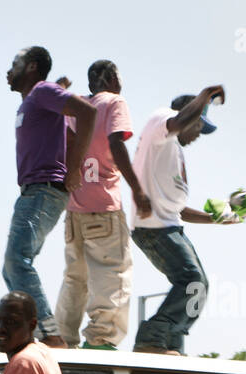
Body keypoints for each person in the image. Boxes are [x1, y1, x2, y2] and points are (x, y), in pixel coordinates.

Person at [130, 86, 236, 356]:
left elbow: (178, 209)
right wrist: (208, 92)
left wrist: (216, 219)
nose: (199, 134)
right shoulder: (161, 123)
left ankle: (171, 343)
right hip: (154, 228)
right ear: (191, 117)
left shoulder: (173, 152)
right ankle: (151, 339)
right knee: (192, 281)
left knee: (198, 285)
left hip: (168, 226)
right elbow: (179, 122)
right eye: (199, 126)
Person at [2, 45, 97, 347]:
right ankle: (36, 333)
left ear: (31, 66)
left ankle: (50, 335)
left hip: (43, 188)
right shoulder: (35, 99)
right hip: (33, 190)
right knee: (12, 267)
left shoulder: (43, 91)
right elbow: (56, 119)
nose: (9, 70)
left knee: (17, 261)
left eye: (15, 64)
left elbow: (87, 111)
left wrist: (75, 167)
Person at [54, 60, 152, 350]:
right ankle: (102, 340)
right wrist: (138, 189)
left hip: (74, 208)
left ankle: (63, 338)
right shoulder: (114, 102)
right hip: (104, 207)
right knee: (113, 277)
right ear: (110, 78)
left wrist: (59, 90)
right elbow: (116, 142)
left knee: (75, 278)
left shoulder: (76, 106)